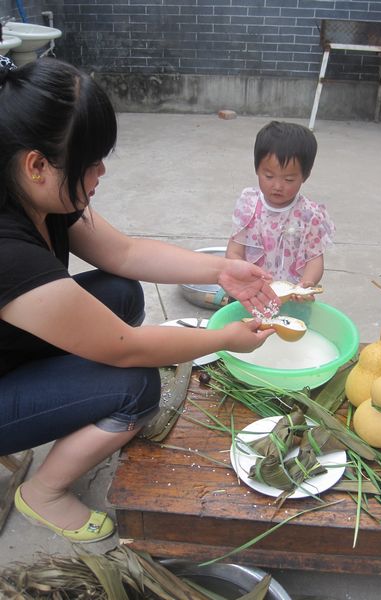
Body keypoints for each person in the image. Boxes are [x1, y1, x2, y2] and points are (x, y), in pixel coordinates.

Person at [0, 57, 279, 543]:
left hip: (12, 351)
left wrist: (220, 269)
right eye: (90, 161)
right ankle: (43, 492)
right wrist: (223, 339)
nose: (101, 171)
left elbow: (126, 254)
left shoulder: (37, 194)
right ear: (37, 165)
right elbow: (124, 348)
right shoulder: (8, 250)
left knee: (120, 292)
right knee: (136, 385)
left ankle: (72, 404)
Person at [226, 121, 335, 299]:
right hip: (252, 293)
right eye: (268, 176)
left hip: (292, 297)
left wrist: (306, 283)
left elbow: (314, 260)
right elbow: (234, 251)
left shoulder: (309, 215)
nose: (277, 186)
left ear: (305, 176)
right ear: (257, 169)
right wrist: (243, 276)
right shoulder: (249, 206)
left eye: (289, 179)